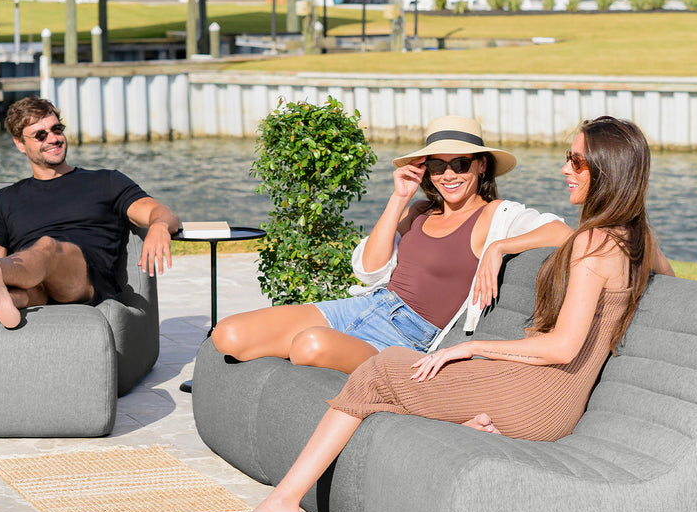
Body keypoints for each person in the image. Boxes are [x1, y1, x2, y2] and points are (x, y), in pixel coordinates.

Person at [211, 116, 674, 512]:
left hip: (539, 395)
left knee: (381, 371)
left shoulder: (591, 241)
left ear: (606, 169)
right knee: (385, 372)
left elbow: (564, 346)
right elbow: (668, 283)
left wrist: (470, 347)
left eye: (575, 161)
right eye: (437, 164)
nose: (564, 169)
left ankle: (283, 502)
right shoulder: (634, 237)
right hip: (550, 395)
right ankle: (295, 495)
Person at [211, 115, 572, 375]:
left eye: (460, 164)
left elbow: (563, 232)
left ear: (481, 166)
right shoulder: (418, 211)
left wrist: (498, 249)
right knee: (228, 335)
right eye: (437, 165)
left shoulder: (497, 215)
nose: (448, 175)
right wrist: (399, 197)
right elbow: (369, 271)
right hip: (366, 306)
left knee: (310, 345)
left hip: (408, 337)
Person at [0, 96, 180, 328]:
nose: (53, 138)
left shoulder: (105, 181)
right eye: (40, 135)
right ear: (20, 144)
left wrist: (158, 225)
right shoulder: (4, 200)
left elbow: (160, 212)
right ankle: (8, 298)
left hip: (85, 280)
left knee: (47, 248)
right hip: (33, 282)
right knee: (5, 276)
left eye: (56, 129)